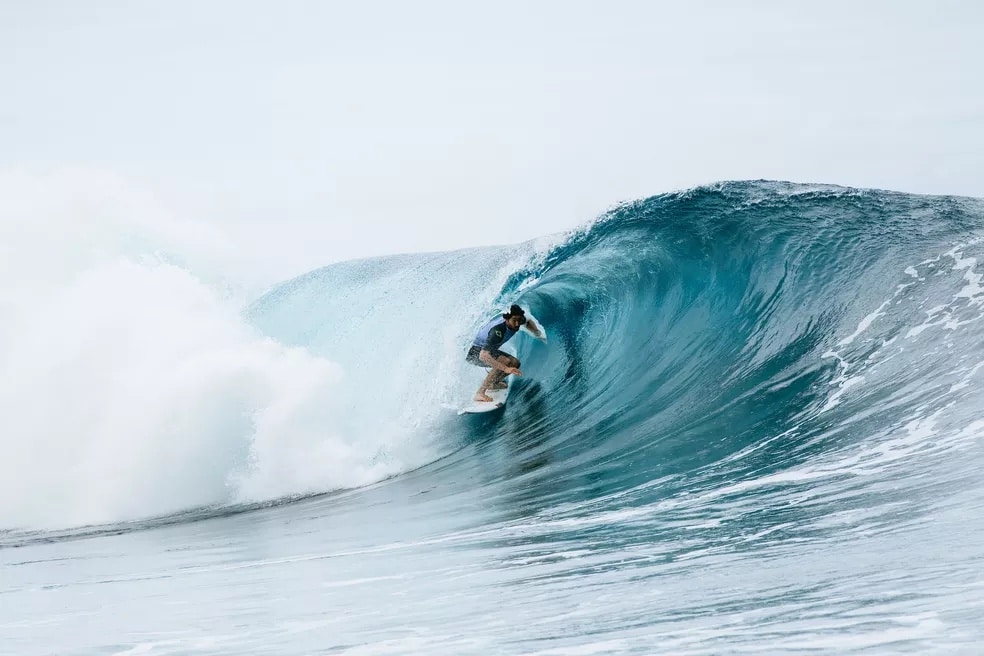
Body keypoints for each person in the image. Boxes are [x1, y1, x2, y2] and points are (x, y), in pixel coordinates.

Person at [466, 304, 543, 402]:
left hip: (487, 350)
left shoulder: (518, 320)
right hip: (473, 353)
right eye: (514, 320)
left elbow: (527, 322)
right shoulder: (498, 331)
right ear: (507, 319)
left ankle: (492, 384)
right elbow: (483, 356)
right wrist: (506, 369)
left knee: (515, 363)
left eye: (519, 320)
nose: (517, 324)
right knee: (504, 361)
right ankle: (480, 393)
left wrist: (536, 331)